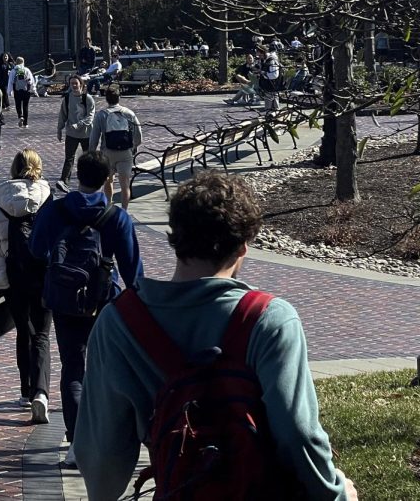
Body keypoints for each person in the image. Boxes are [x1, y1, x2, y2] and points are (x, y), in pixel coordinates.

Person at [75, 172, 358, 501]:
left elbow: (101, 454)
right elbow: (299, 434)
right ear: (242, 247)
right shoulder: (271, 320)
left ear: (173, 237)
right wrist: (337, 493)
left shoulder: (119, 323)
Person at [29, 151, 143, 467]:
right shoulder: (116, 217)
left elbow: (36, 249)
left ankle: (77, 443)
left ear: (77, 175)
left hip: (66, 300)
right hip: (106, 301)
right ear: (108, 179)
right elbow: (133, 270)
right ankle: (107, 437)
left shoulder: (55, 210)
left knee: (72, 367)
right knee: (105, 370)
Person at [0, 149, 52, 424]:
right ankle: (41, 392)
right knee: (42, 334)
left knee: (23, 329)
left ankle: (25, 391)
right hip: (44, 273)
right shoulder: (48, 197)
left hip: (13, 274)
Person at [89, 86, 143, 210]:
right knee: (125, 185)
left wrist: (92, 152)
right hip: (125, 153)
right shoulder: (129, 113)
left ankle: (108, 207)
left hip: (107, 152)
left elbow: (94, 137)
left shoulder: (101, 115)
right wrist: (134, 146)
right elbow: (138, 135)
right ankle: (124, 211)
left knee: (108, 181)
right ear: (119, 97)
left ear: (106, 99)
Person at [55, 75, 95, 193]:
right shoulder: (67, 98)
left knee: (88, 159)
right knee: (69, 158)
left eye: (76, 83)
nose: (73, 86)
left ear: (81, 84)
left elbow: (90, 116)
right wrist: (59, 129)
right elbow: (62, 115)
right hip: (71, 134)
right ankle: (64, 181)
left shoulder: (88, 98)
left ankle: (90, 181)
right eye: (71, 83)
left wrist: (79, 124)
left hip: (86, 134)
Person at [7, 56, 35, 128]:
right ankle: (25, 123)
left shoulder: (14, 71)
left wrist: (9, 91)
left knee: (18, 105)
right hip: (26, 90)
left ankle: (20, 116)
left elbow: (11, 82)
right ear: (23, 62)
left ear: (16, 62)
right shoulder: (27, 70)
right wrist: (33, 90)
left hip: (17, 90)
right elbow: (31, 81)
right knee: (25, 106)